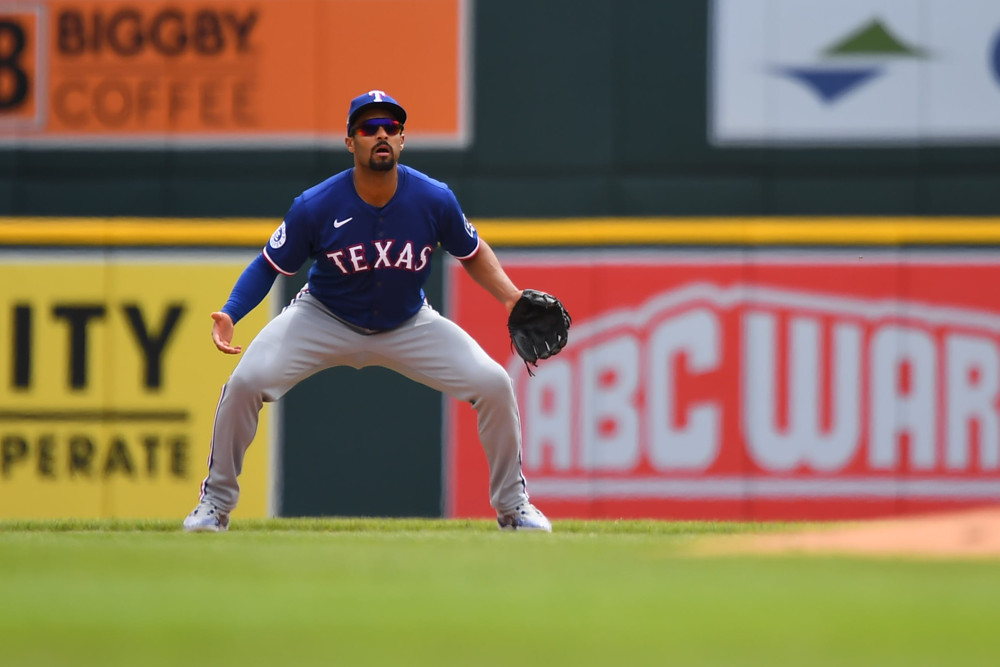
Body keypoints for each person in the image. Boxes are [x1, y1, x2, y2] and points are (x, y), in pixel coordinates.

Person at [183, 90, 552, 533]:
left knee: (493, 383)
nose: (380, 134)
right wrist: (231, 312)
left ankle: (514, 507)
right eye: (368, 127)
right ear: (350, 142)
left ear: (401, 140)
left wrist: (510, 297)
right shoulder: (316, 205)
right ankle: (214, 505)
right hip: (323, 317)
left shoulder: (434, 199)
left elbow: (471, 251)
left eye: (390, 128)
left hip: (408, 322)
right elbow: (270, 264)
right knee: (244, 382)